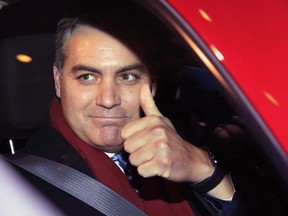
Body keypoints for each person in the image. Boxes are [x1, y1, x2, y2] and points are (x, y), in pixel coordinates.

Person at [19, 10, 244, 216]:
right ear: (59, 82)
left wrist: (204, 170)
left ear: (153, 86)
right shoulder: (19, 187)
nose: (108, 100)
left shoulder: (184, 145)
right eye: (87, 77)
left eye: (127, 77)